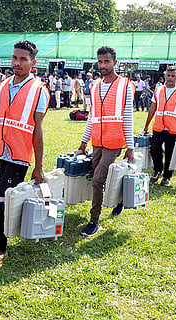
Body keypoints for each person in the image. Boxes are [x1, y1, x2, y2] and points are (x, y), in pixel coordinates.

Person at [0, 40, 49, 267]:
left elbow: (38, 130)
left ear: (33, 62)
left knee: (2, 195)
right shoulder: (3, 86)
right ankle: (3, 235)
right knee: (3, 197)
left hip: (21, 155)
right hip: (3, 152)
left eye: (23, 59)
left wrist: (38, 165)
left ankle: (0, 247)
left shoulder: (39, 90)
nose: (17, 63)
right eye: (15, 58)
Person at [78, 46, 135, 237]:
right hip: (97, 141)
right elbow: (92, 116)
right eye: (100, 62)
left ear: (114, 62)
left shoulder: (125, 85)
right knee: (99, 177)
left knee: (97, 180)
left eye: (106, 61)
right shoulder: (95, 86)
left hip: (114, 141)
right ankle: (118, 200)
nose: (102, 65)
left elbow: (127, 117)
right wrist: (84, 141)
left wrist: (130, 146)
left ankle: (94, 220)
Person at [144, 65, 176, 187]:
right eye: (168, 75)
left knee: (170, 153)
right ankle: (157, 170)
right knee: (154, 149)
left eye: (173, 76)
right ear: (164, 76)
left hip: (174, 128)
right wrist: (147, 125)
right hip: (158, 126)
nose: (170, 78)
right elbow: (153, 108)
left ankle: (167, 176)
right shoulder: (158, 90)